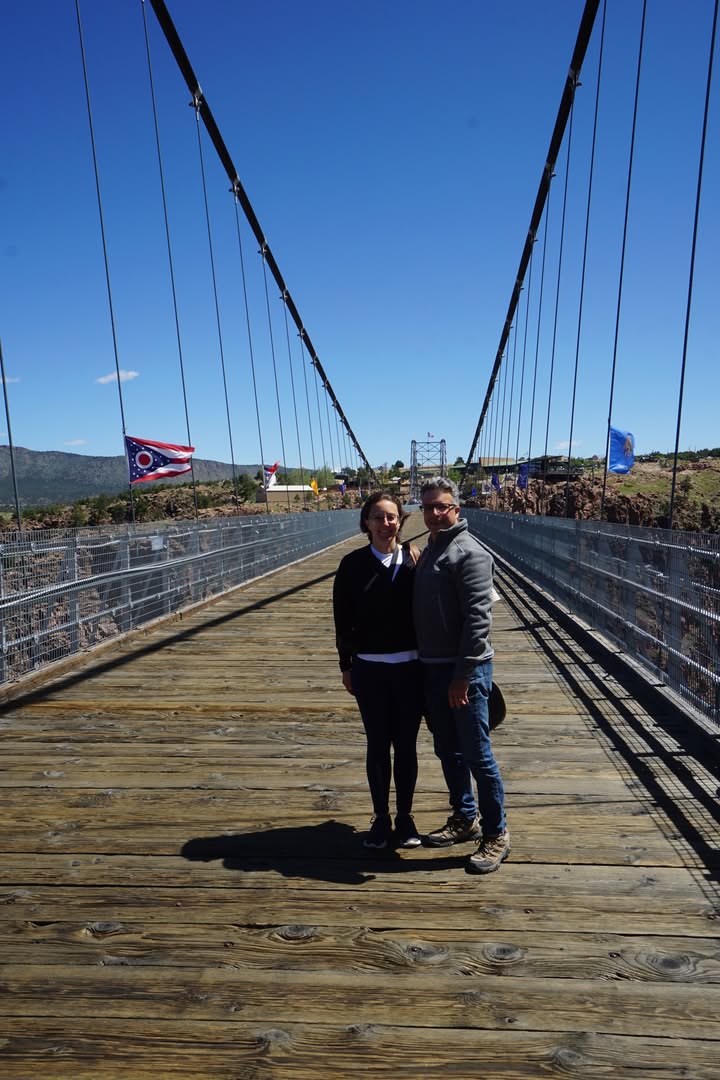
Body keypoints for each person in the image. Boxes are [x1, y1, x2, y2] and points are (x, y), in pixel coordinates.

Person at [413, 476, 509, 873]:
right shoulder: (433, 550)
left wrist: (463, 676)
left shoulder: (470, 553)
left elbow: (478, 621)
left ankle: (496, 833)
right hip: (432, 669)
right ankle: (464, 818)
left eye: (443, 506)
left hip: (462, 672)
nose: (435, 513)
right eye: (429, 507)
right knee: (447, 750)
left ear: (457, 509)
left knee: (477, 754)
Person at [333, 492, 423, 850]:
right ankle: (381, 818)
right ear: (365, 523)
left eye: (391, 517)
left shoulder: (416, 560)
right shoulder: (352, 565)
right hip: (370, 670)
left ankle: (405, 817)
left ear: (400, 521)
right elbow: (342, 620)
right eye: (377, 517)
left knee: (406, 746)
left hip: (411, 669)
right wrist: (346, 666)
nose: (385, 524)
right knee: (376, 745)